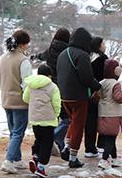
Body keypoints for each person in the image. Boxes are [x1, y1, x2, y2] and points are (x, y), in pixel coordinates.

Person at [57, 27, 102, 169]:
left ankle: (66, 147)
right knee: (78, 126)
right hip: (78, 96)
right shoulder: (82, 55)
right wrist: (98, 86)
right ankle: (73, 157)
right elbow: (87, 78)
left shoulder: (63, 53)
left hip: (64, 96)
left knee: (72, 122)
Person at [0, 30, 33, 174]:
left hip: (6, 98)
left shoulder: (3, 58)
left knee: (13, 131)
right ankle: (9, 160)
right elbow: (27, 83)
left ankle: (16, 159)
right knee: (18, 132)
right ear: (23, 44)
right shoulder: (23, 60)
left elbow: (0, 80)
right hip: (20, 101)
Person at [23, 63, 62, 178]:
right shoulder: (52, 86)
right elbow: (56, 102)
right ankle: (41, 167)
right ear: (49, 75)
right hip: (48, 119)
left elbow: (25, 98)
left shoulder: (31, 85)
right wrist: (56, 114)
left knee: (39, 139)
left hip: (35, 119)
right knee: (47, 142)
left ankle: (35, 156)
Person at [96, 58, 122, 170]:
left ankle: (114, 158)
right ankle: (104, 160)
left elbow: (95, 96)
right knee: (111, 138)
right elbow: (118, 97)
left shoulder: (101, 82)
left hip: (102, 113)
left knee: (109, 137)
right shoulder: (115, 84)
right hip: (112, 114)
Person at [37, 28, 72, 152]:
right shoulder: (67, 51)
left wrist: (35, 56)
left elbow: (42, 56)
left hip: (49, 86)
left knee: (53, 118)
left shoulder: (50, 49)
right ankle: (54, 139)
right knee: (67, 118)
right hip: (62, 87)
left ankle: (53, 144)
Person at [84, 36, 108, 158]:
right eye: (103, 43)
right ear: (99, 46)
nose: (104, 45)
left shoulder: (86, 58)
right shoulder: (103, 59)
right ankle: (102, 145)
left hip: (88, 93)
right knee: (104, 118)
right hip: (100, 92)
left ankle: (89, 148)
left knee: (90, 121)